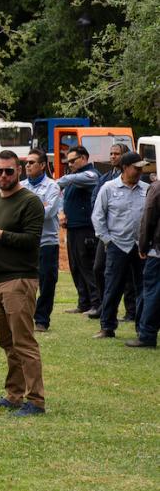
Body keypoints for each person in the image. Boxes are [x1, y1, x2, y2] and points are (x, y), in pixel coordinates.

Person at [0, 150, 46, 417]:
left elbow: (30, 240)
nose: (3, 176)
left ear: (19, 171)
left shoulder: (30, 202)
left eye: (8, 171)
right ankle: (14, 395)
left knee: (24, 342)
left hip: (18, 281)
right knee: (7, 343)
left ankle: (36, 400)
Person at [91, 151, 149, 340]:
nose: (140, 171)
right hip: (117, 245)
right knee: (113, 287)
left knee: (143, 288)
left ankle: (142, 327)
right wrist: (108, 240)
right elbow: (98, 217)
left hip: (141, 247)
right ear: (125, 168)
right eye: (136, 168)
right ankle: (107, 326)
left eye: (141, 168)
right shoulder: (108, 188)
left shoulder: (146, 189)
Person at [20, 149, 62, 332]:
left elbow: (49, 212)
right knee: (20, 282)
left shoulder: (52, 186)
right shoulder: (20, 186)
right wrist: (38, 206)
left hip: (46, 243)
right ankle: (19, 317)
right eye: (26, 163)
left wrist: (25, 212)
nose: (27, 166)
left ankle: (42, 320)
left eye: (31, 162)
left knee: (46, 282)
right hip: (25, 242)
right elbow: (15, 212)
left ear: (43, 165)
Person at [91, 143, 133, 321]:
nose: (113, 156)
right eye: (111, 153)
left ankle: (132, 311)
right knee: (99, 268)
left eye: (117, 154)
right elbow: (95, 200)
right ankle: (104, 305)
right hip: (107, 235)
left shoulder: (137, 181)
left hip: (127, 236)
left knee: (130, 275)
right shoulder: (106, 179)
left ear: (124, 157)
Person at [57, 147, 100, 315]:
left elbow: (69, 181)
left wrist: (60, 180)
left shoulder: (90, 174)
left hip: (85, 229)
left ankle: (96, 304)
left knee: (87, 266)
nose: (70, 164)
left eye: (73, 161)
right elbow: (63, 196)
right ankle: (83, 302)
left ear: (83, 158)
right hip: (73, 228)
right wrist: (61, 212)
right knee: (75, 266)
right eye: (68, 161)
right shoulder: (73, 179)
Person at [131, 177, 160, 348]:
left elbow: (148, 218)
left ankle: (147, 334)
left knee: (152, 292)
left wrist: (143, 245)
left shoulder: (156, 188)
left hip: (157, 251)